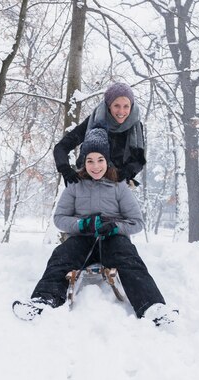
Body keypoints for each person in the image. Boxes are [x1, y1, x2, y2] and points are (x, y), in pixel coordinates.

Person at [13, 128, 178, 326]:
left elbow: (137, 222)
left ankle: (152, 307)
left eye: (100, 160)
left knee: (130, 259)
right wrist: (81, 224)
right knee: (61, 256)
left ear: (107, 160)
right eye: (90, 160)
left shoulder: (119, 186)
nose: (95, 166)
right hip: (82, 238)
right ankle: (43, 300)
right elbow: (60, 218)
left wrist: (115, 227)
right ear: (84, 162)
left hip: (113, 239)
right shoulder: (75, 184)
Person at [54, 82, 146, 186]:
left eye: (126, 106)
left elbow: (139, 160)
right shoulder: (94, 120)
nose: (121, 111)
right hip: (87, 181)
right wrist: (65, 169)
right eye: (116, 105)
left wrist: (128, 171)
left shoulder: (135, 127)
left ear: (131, 106)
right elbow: (61, 147)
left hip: (116, 184)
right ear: (108, 105)